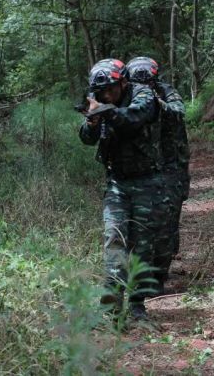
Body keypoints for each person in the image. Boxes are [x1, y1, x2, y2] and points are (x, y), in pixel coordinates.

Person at [78, 58, 169, 321]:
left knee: (143, 245)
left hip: (147, 181)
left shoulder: (141, 94)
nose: (107, 95)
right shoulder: (102, 101)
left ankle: (137, 305)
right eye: (102, 92)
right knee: (114, 240)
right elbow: (86, 138)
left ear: (123, 83)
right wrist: (92, 121)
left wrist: (103, 111)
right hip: (117, 182)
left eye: (111, 90)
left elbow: (135, 118)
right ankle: (111, 309)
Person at [126, 57, 189, 263]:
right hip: (142, 164)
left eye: (149, 83)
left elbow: (179, 112)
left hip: (171, 163)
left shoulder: (165, 91)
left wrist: (156, 103)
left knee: (169, 212)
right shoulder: (127, 96)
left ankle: (163, 262)